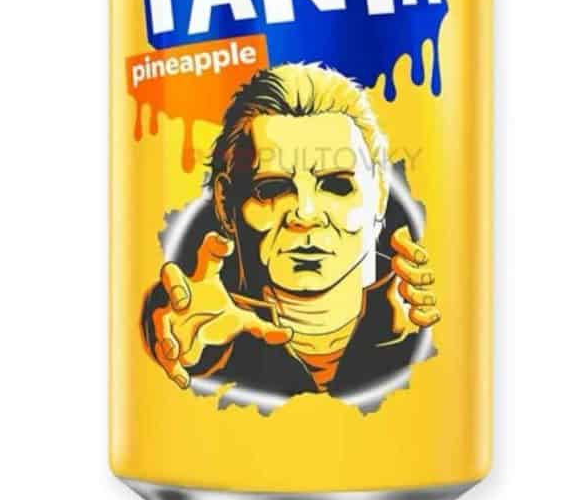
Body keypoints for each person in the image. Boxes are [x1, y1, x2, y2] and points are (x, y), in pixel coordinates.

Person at [143, 63, 440, 399]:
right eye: (272, 189)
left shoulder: (420, 324)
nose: (305, 214)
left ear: (380, 195)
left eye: (337, 185)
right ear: (226, 204)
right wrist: (168, 328)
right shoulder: (210, 340)